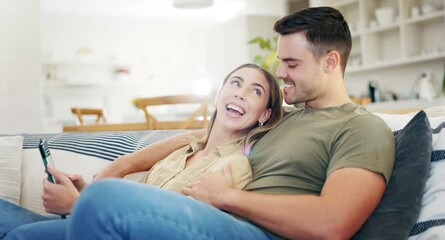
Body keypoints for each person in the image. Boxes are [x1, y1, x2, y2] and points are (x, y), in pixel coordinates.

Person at [9, 6, 396, 240]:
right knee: (22, 230)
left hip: (256, 233)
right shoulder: (282, 118)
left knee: (104, 201)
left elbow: (333, 225)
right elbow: (200, 135)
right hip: (215, 218)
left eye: (292, 64)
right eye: (281, 61)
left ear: (330, 62)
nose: (280, 73)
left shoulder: (362, 128)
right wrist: (121, 166)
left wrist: (227, 197)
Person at [1, 63, 283, 239]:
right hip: (104, 221)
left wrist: (78, 206)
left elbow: (172, 228)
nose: (240, 93)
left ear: (264, 114)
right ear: (218, 94)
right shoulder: (182, 150)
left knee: (22, 235)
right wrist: (85, 193)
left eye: (255, 92)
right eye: (235, 83)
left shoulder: (233, 166)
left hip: (121, 230)